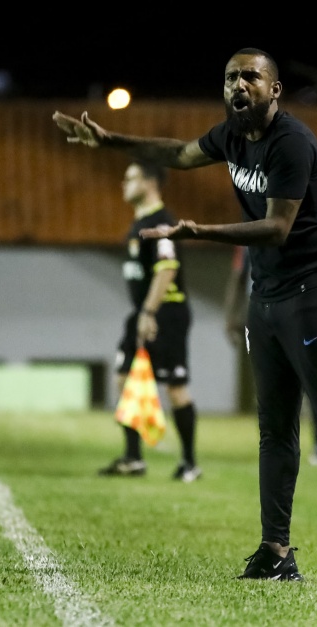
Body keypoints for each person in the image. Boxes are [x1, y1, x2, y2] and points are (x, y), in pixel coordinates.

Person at [53, 47, 317, 586]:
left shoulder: (292, 143)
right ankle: (276, 552)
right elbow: (178, 152)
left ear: (274, 89)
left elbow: (277, 228)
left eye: (251, 77)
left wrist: (199, 232)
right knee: (274, 427)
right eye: (230, 78)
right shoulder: (230, 135)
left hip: (315, 289)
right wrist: (109, 141)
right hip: (266, 294)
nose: (239, 85)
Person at [97, 160, 202, 483]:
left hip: (165, 313)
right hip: (142, 312)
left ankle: (189, 463)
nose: (123, 183)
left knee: (175, 388)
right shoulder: (139, 223)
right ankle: (133, 458)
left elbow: (168, 268)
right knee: (123, 377)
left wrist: (149, 312)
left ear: (150, 182)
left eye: (131, 178)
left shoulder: (161, 223)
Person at [225, 245, 317, 466]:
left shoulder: (265, 233)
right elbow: (238, 276)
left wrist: (231, 316)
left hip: (285, 312)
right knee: (288, 381)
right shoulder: (249, 241)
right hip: (271, 312)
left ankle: (305, 445)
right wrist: (231, 316)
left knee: (303, 380)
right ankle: (282, 444)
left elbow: (237, 277)